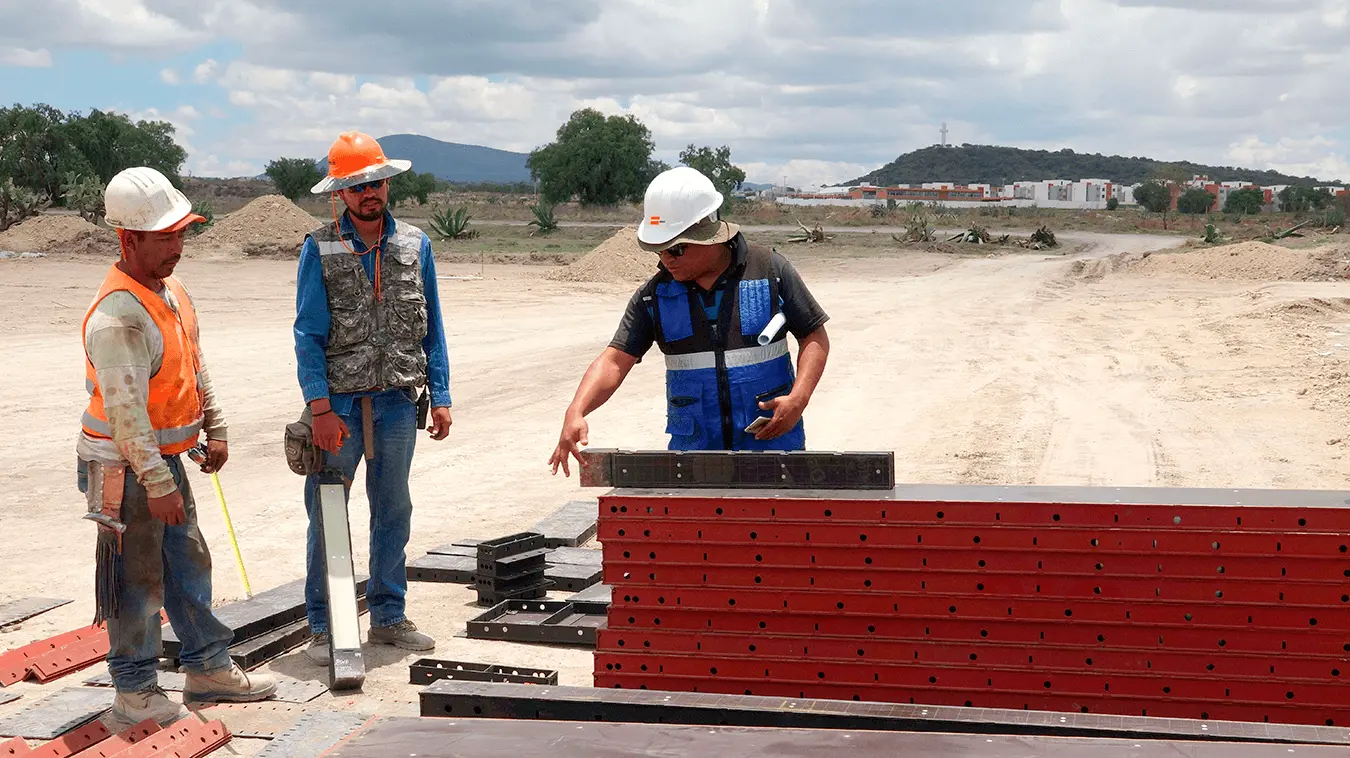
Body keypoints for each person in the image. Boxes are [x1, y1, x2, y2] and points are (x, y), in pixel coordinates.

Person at [78, 166, 277, 728]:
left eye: (181, 233)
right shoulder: (118, 317)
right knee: (135, 579)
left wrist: (214, 427)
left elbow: (192, 363)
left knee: (187, 563)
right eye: (165, 237)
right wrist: (158, 482)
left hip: (161, 461)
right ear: (128, 239)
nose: (177, 247)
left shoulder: (170, 290)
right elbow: (126, 418)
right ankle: (135, 689)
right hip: (123, 466)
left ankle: (207, 666)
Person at [549, 166, 830, 475]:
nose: (666, 259)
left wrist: (799, 399)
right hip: (694, 459)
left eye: (677, 248)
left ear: (709, 236)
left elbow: (814, 337)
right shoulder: (654, 296)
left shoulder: (770, 271)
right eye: (659, 249)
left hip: (773, 446)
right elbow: (615, 360)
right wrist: (576, 410)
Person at [293, 131, 453, 664]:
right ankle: (327, 624)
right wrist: (318, 407)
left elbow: (433, 328)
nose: (370, 193)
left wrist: (443, 393)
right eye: (358, 185)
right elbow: (308, 333)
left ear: (387, 185)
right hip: (338, 409)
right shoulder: (319, 247)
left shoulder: (416, 244)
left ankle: (388, 616)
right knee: (330, 514)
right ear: (340, 191)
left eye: (377, 183)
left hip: (397, 405)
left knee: (393, 511)